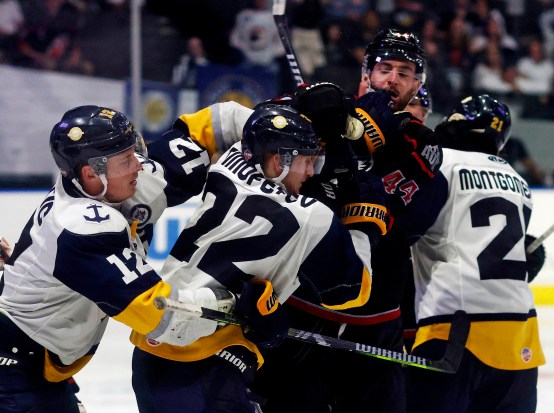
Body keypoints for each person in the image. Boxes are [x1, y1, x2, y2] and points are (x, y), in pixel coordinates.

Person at [131, 103, 388, 413]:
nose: (311, 172)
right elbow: (352, 292)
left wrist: (298, 112)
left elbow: (236, 117)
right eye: (307, 161)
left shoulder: (230, 160)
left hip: (151, 348)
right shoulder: (312, 218)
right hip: (208, 359)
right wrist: (364, 220)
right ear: (280, 160)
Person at [0, 101, 254, 413]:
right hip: (14, 376)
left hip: (39, 365)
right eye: (125, 160)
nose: (138, 165)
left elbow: (210, 128)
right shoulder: (80, 228)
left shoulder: (111, 185)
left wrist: (289, 122)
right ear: (91, 173)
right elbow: (162, 315)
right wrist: (236, 306)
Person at [252, 28, 443, 413]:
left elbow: (387, 216)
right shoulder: (322, 108)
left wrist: (350, 155)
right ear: (365, 74)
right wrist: (340, 129)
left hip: (376, 319)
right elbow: (263, 139)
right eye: (384, 68)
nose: (392, 79)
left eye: (404, 73)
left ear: (417, 83)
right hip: (302, 308)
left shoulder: (423, 144)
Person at [403, 94, 547, 413]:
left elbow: (402, 233)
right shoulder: (519, 182)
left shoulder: (440, 165)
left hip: (454, 329)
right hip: (519, 333)